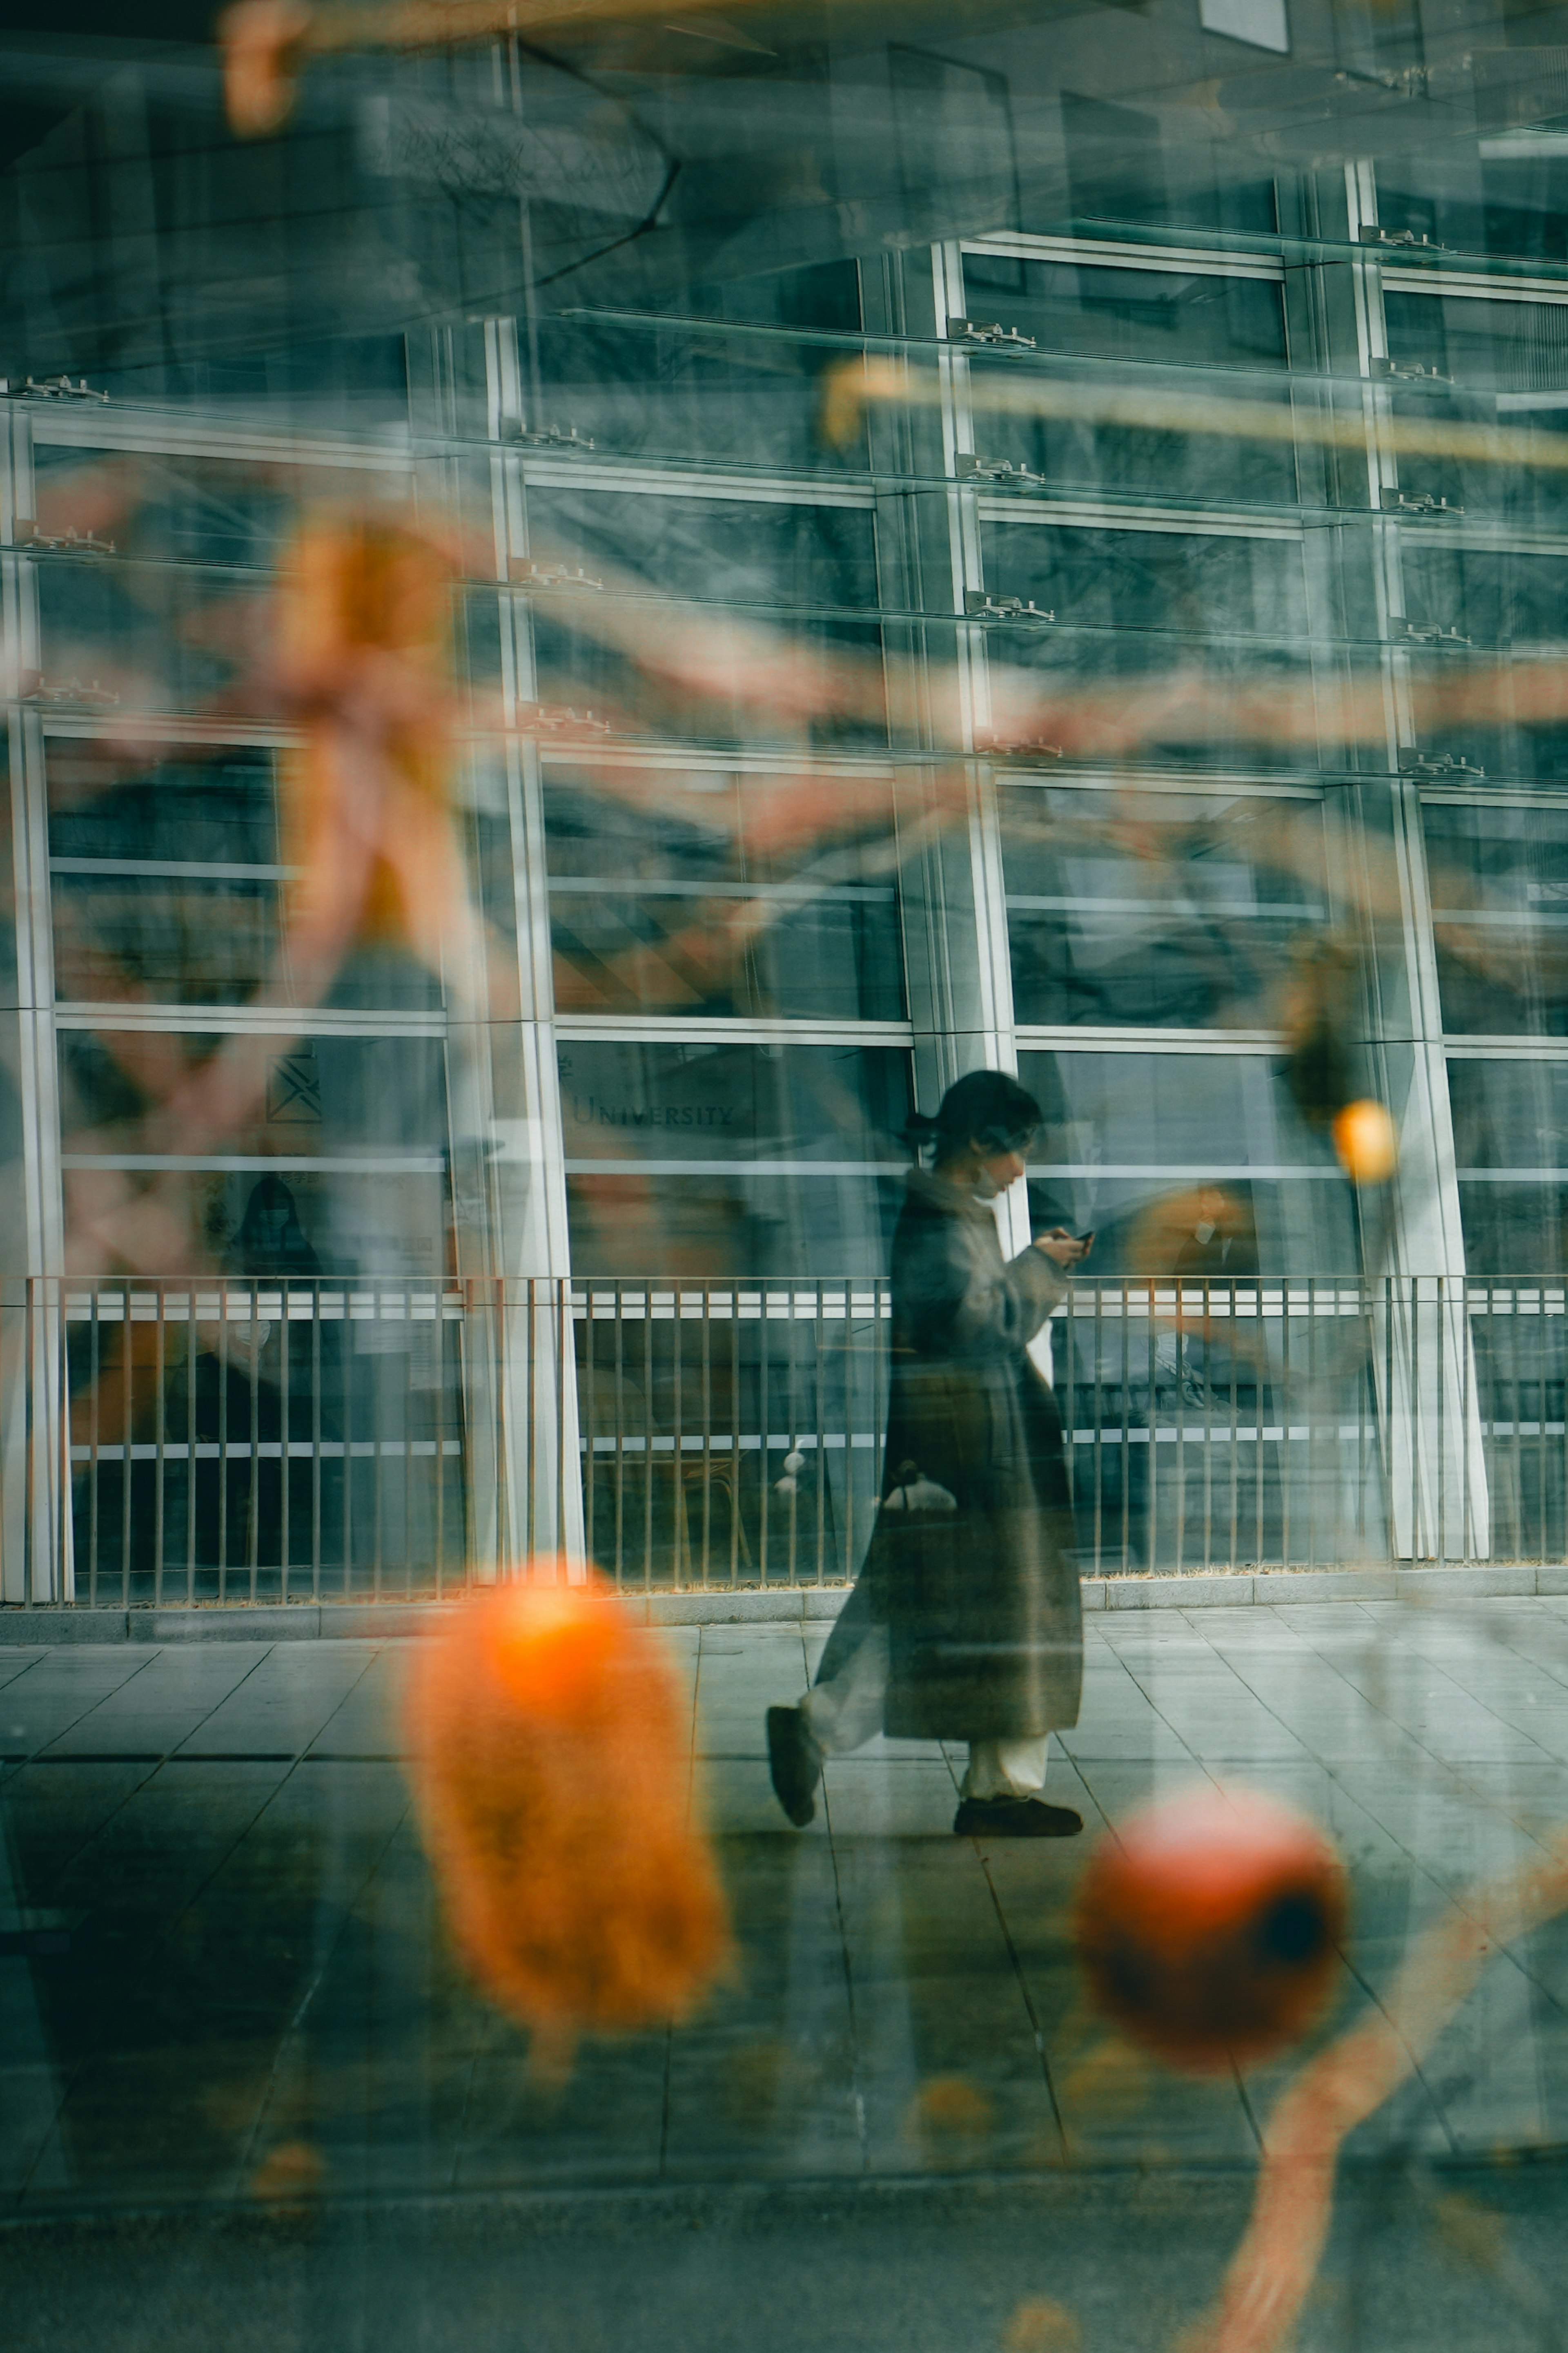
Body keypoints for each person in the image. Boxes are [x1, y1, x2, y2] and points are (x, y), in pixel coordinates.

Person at [766, 1071, 1092, 1838]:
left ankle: (842, 1734)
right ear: (980, 1142)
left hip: (972, 1450)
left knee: (947, 1615)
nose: (1019, 1171)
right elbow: (973, 1329)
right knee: (984, 1618)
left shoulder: (947, 1215)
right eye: (1016, 1153)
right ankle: (990, 1789)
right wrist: (1042, 1267)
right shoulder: (940, 1222)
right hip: (978, 1455)